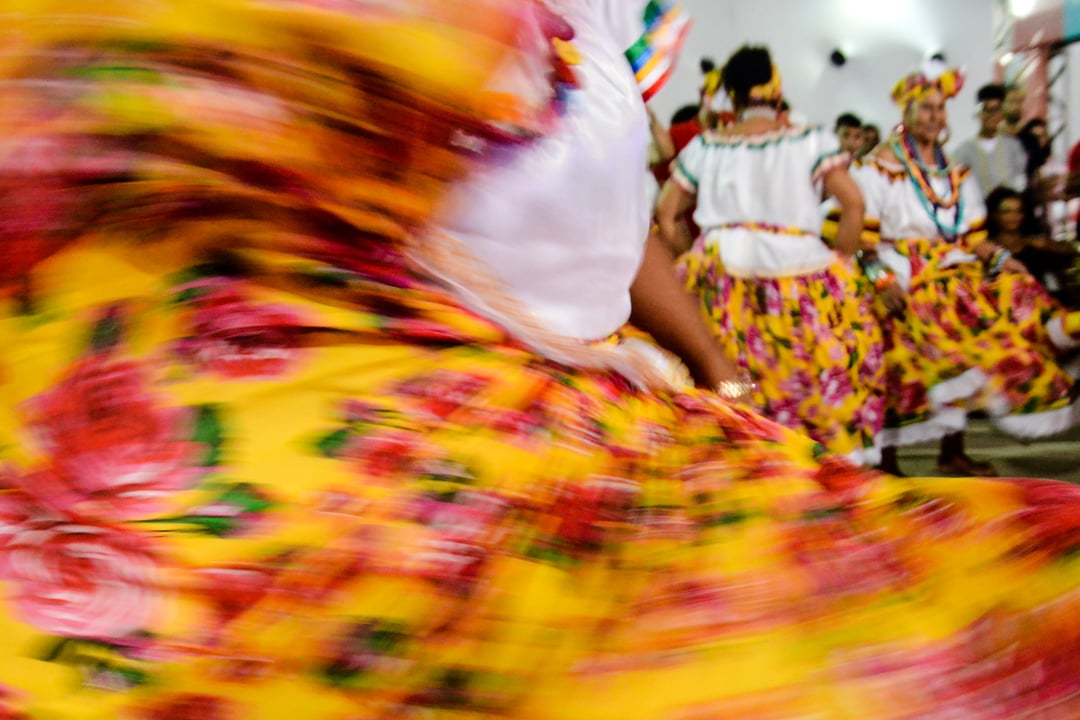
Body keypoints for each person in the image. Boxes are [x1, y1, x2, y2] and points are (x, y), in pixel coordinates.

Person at [6, 4, 1080, 720]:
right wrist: (550, 341)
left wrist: (709, 366)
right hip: (349, 413)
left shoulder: (590, 44)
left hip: (568, 383)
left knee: (886, 594)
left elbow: (632, 228)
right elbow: (271, 189)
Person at [657, 45, 885, 465]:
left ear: (732, 96)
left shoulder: (708, 146)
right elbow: (852, 204)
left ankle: (742, 465)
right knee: (809, 373)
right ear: (775, 87)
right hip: (801, 271)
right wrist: (840, 263)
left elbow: (667, 214)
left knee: (728, 380)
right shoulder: (810, 141)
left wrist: (689, 261)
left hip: (719, 269)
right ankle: (811, 469)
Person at [853, 61, 1080, 478]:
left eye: (940, 109)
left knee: (980, 332)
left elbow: (973, 237)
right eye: (926, 109)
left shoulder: (954, 172)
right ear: (906, 112)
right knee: (902, 365)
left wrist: (998, 258)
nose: (935, 118)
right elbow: (862, 243)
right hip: (899, 273)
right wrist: (881, 279)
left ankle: (952, 452)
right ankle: (887, 460)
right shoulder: (879, 167)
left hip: (949, 270)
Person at [985, 185, 1078, 304]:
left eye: (1018, 211)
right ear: (994, 215)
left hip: (1043, 303)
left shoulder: (1032, 242)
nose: (1014, 217)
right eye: (1007, 211)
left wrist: (1045, 245)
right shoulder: (988, 249)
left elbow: (1070, 249)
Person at [953, 83, 1027, 198]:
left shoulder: (1014, 147)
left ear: (1002, 113)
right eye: (986, 110)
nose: (991, 116)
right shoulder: (965, 151)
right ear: (979, 113)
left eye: (996, 110)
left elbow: (1020, 182)